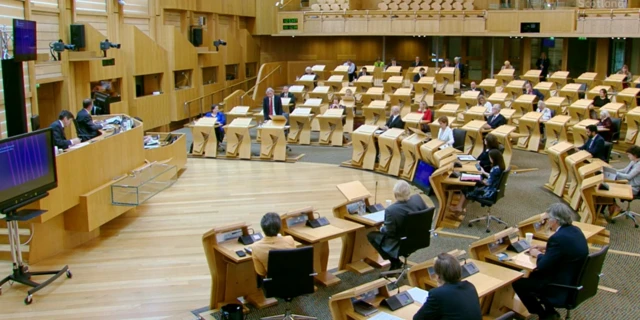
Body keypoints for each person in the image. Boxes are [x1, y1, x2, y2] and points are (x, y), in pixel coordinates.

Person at [512, 203, 588, 320]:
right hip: (572, 279)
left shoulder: (557, 238)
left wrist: (537, 254)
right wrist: (546, 248)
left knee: (519, 283)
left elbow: (542, 265)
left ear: (555, 220)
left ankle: (543, 314)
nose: (547, 222)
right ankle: (550, 310)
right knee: (534, 275)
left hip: (558, 284)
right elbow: (566, 248)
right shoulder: (575, 230)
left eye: (548, 219)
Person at [367, 180, 428, 270]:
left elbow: (389, 232)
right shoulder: (418, 199)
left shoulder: (391, 210)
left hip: (401, 243)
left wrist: (381, 228)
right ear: (409, 192)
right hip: (419, 239)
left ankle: (395, 261)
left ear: (395, 195)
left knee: (371, 235)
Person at [413, 253, 482, 320]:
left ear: (438, 276)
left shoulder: (438, 294)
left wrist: (440, 288)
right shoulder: (470, 286)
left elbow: (418, 318)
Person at [450, 149, 505, 215]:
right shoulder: (500, 167)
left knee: (467, 188)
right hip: (493, 189)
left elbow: (488, 183)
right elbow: (492, 177)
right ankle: (460, 208)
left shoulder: (494, 169)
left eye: (490, 157)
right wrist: (483, 172)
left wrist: (479, 180)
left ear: (493, 158)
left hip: (488, 192)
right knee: (470, 186)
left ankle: (459, 208)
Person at [251, 212, 296, 277]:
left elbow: (261, 272)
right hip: (294, 280)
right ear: (280, 227)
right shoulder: (289, 239)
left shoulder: (255, 247)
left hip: (274, 284)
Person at [608, 146, 640, 215]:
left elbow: (629, 177)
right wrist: (613, 170)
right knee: (608, 186)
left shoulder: (639, 165)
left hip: (632, 188)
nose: (628, 156)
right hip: (627, 184)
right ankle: (614, 206)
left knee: (609, 189)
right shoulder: (633, 161)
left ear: (634, 155)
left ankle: (614, 206)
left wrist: (616, 173)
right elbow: (624, 171)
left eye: (629, 154)